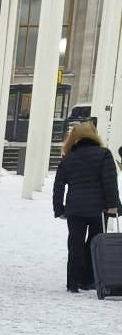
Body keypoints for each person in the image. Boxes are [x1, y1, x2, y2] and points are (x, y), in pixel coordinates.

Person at [51, 120, 120, 292]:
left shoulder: (69, 158)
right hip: (99, 209)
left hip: (75, 209)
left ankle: (72, 282)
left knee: (75, 243)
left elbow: (58, 185)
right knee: (95, 242)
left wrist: (59, 208)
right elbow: (109, 181)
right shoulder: (104, 154)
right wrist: (113, 205)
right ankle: (88, 279)